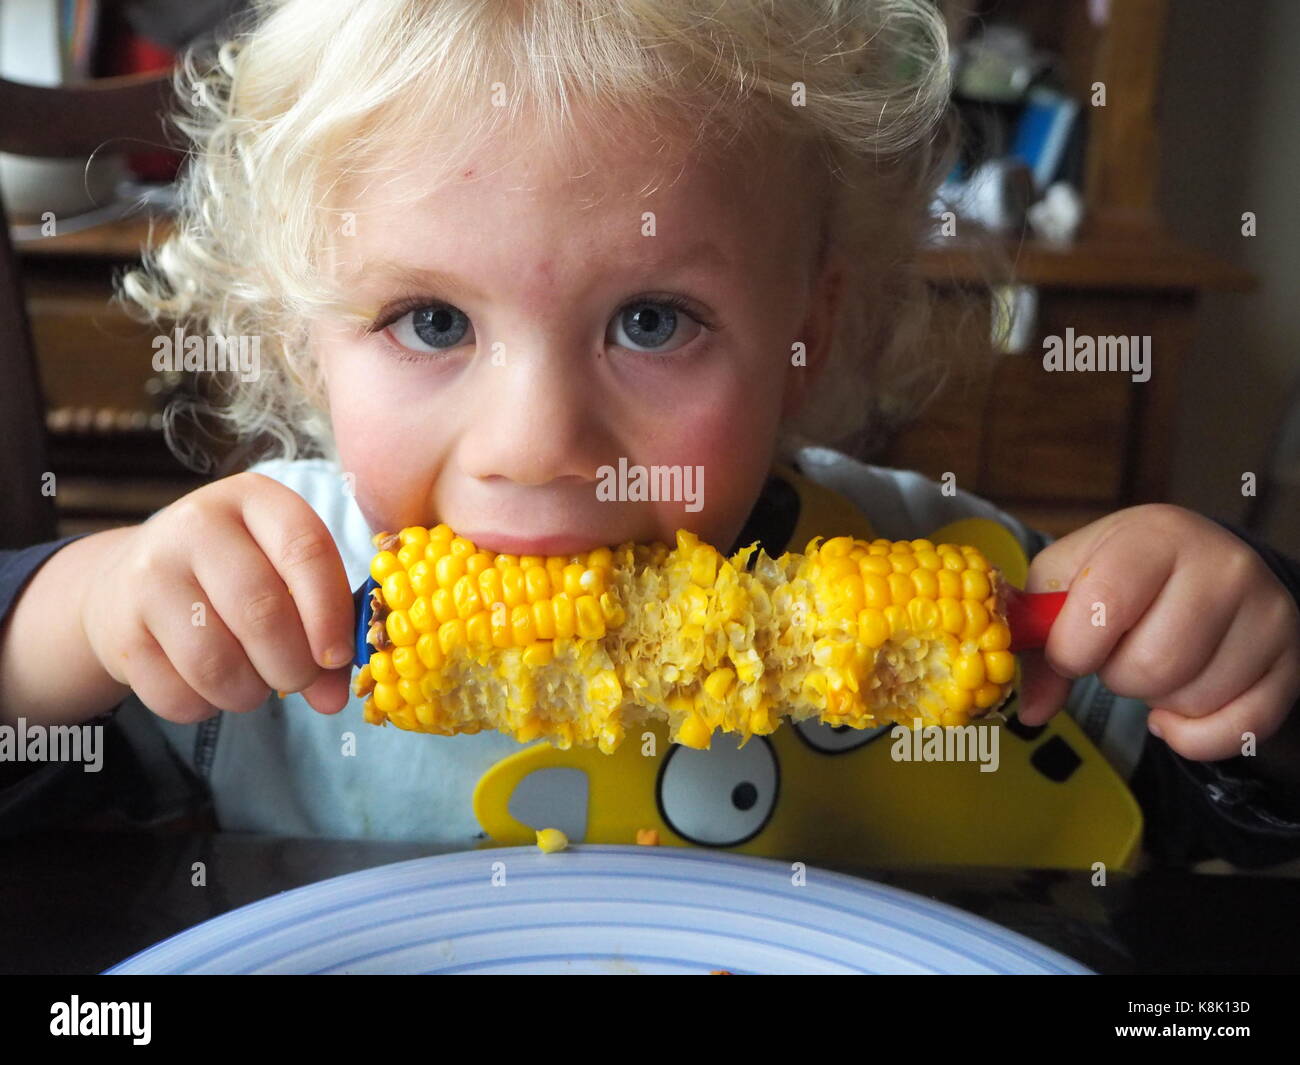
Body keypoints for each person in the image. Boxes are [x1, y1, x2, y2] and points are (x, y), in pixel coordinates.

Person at [1, 0, 1298, 867]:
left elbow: (1223, 810)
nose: (539, 442)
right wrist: (74, 615)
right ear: (301, 340)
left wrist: (1239, 666)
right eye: (433, 321)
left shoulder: (958, 572)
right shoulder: (259, 608)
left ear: (805, 328)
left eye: (655, 320)